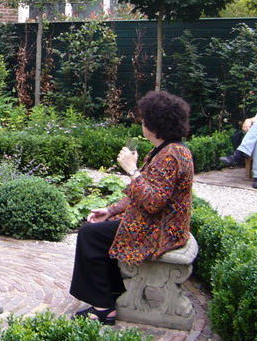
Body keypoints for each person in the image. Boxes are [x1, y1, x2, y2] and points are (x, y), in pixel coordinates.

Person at [69, 91, 194, 325]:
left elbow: (153, 201)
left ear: (156, 123)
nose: (142, 122)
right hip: (161, 224)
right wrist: (111, 210)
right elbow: (143, 195)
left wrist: (132, 170)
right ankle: (112, 293)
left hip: (162, 231)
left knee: (90, 235)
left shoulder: (171, 156)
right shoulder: (167, 149)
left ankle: (104, 308)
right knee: (102, 229)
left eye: (145, 118)